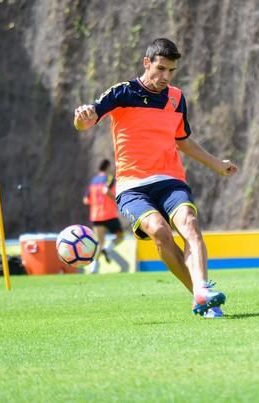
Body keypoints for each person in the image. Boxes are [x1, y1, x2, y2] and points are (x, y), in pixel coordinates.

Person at [73, 38, 238, 318]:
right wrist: (82, 116)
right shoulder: (122, 92)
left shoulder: (176, 97)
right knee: (160, 232)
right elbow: (85, 122)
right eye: (160, 69)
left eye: (171, 71)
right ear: (146, 63)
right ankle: (199, 295)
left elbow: (183, 141)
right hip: (132, 186)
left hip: (170, 179)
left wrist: (216, 164)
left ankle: (203, 289)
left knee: (190, 224)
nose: (165, 77)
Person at [82, 158, 127, 274]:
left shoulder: (93, 181)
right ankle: (108, 249)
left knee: (99, 242)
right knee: (120, 236)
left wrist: (97, 203)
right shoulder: (109, 178)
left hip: (96, 216)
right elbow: (105, 190)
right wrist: (116, 201)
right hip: (109, 214)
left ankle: (94, 268)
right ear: (107, 167)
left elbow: (86, 200)